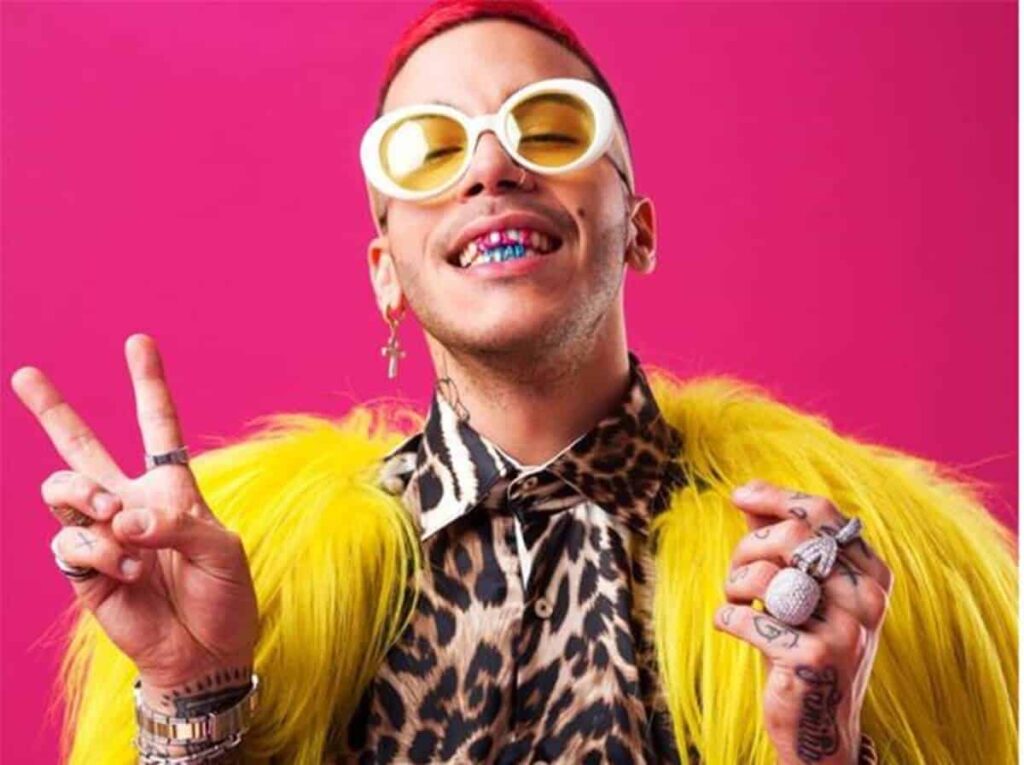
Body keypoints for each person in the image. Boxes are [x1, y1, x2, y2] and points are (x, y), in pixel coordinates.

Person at [10, 1, 1017, 763]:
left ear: (639, 229)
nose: (491, 167)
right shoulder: (256, 575)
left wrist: (824, 743)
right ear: (386, 274)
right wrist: (193, 692)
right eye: (430, 149)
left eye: (551, 128)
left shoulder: (844, 576)